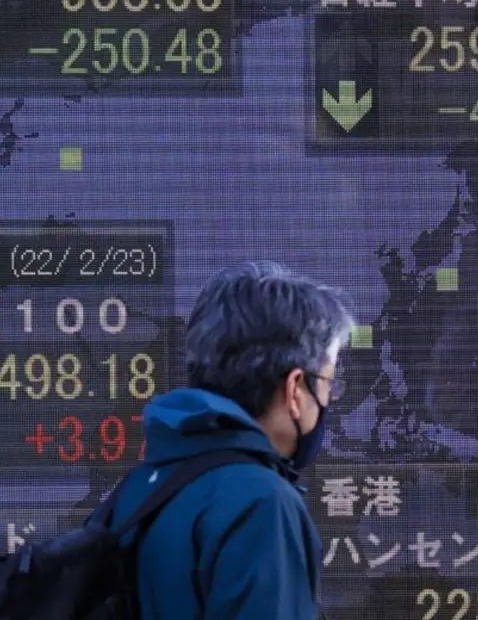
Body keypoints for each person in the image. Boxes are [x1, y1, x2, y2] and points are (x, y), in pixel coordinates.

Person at [108, 261, 353, 619]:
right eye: (329, 383)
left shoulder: (137, 489)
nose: (328, 399)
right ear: (295, 388)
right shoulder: (261, 503)